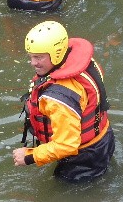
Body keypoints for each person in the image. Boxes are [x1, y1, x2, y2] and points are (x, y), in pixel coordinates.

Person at [13, 21, 115, 182]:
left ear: (57, 53)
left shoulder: (58, 98)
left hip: (83, 158)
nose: (33, 63)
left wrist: (29, 156)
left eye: (38, 57)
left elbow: (67, 145)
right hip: (104, 138)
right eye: (31, 57)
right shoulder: (86, 64)